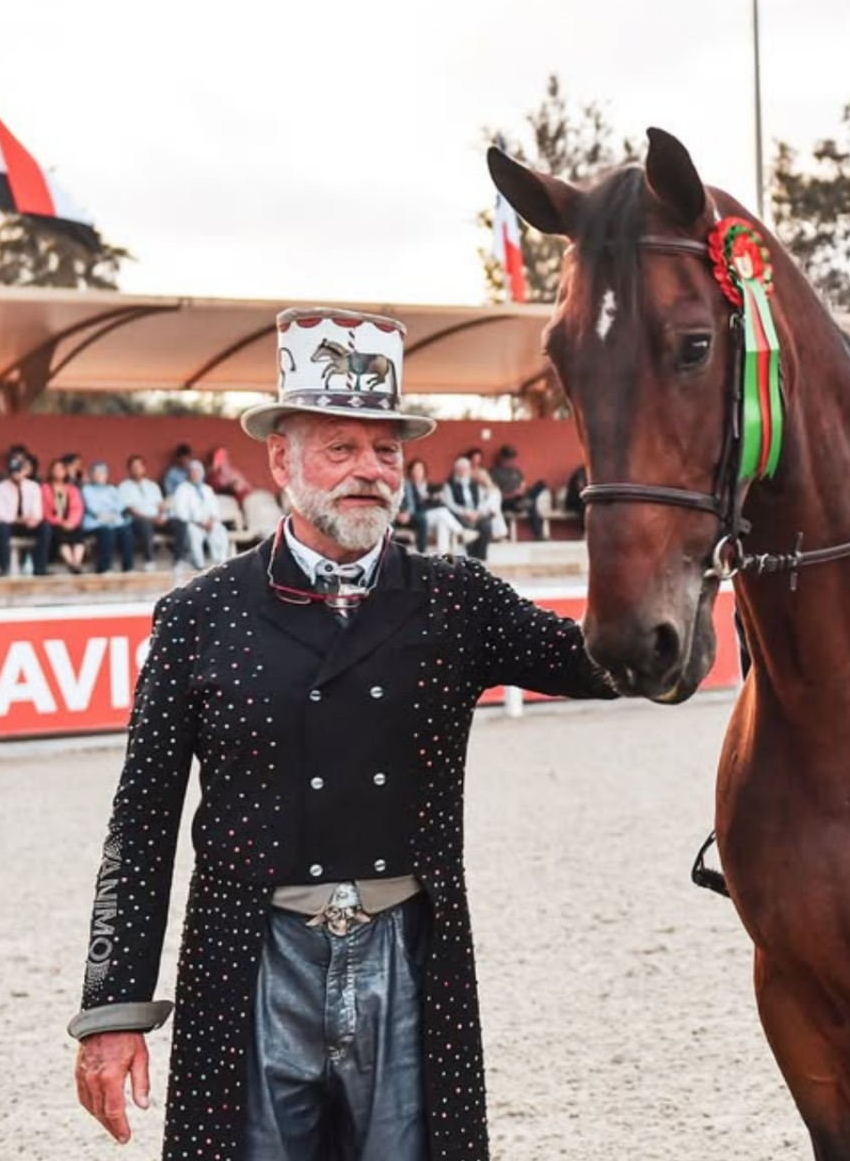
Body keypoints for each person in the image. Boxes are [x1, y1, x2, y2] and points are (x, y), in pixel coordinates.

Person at [69, 307, 617, 1161]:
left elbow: (604, 661)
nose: (369, 470)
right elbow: (140, 824)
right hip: (249, 963)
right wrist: (112, 1011)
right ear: (279, 459)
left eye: (387, 450)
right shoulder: (197, 618)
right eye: (340, 448)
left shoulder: (456, 598)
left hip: (409, 958)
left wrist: (684, 552)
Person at [0, 454, 50, 577]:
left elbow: (37, 511)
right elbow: (0, 513)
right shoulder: (1, 487)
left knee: (45, 528)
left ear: (25, 471)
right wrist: (18, 519)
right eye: (13, 472)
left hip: (27, 524)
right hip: (9, 524)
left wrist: (33, 519)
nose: (16, 475)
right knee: (2, 528)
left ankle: (40, 568)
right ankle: (4, 568)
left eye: (18, 471)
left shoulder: (33, 487)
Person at [169, 459, 231, 570]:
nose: (195, 475)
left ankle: (220, 561)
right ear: (189, 474)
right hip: (193, 523)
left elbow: (215, 507)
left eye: (198, 472)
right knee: (194, 534)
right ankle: (199, 564)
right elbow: (181, 511)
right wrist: (199, 523)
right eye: (192, 472)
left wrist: (211, 521)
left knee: (219, 530)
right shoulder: (182, 489)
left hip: (209, 522)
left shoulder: (207, 489)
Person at [80, 460, 136, 573]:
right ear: (92, 475)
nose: (101, 475)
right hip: (95, 522)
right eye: (98, 473)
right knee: (107, 532)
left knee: (126, 531)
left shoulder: (112, 489)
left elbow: (120, 505)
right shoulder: (86, 489)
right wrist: (109, 514)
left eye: (103, 473)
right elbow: (92, 508)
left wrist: (112, 514)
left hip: (114, 520)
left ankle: (128, 567)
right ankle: (104, 568)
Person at [118, 454, 167, 571]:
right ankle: (149, 560)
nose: (137, 469)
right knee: (145, 524)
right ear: (129, 469)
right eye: (134, 467)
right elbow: (130, 510)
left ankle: (180, 560)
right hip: (137, 520)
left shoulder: (152, 485)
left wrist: (161, 516)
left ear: (144, 468)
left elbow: (160, 505)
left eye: (139, 466)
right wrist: (151, 519)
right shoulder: (124, 487)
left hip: (156, 518)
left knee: (179, 523)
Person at [488, 443, 545, 538]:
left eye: (511, 458)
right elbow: (494, 494)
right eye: (507, 458)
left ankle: (539, 534)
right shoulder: (494, 472)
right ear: (501, 458)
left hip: (520, 498)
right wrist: (512, 494)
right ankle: (524, 503)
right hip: (506, 501)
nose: (510, 460)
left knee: (539, 486)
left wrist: (522, 490)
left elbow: (523, 485)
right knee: (530, 503)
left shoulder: (516, 471)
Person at [442, 454, 493, 561]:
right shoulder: (449, 485)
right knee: (468, 527)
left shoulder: (475, 484)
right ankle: (471, 557)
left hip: (475, 514)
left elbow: (481, 501)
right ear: (456, 470)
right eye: (460, 469)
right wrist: (465, 512)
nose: (463, 471)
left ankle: (481, 557)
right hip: (460, 515)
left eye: (465, 469)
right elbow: (450, 504)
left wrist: (476, 513)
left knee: (486, 525)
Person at [44, 457, 88, 573]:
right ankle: (70, 563)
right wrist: (60, 522)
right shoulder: (45, 488)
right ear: (51, 471)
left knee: (78, 533)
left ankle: (77, 562)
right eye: (56, 469)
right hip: (54, 522)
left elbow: (78, 508)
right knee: (60, 535)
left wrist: (71, 522)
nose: (58, 471)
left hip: (71, 522)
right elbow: (45, 510)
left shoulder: (72, 489)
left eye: (61, 469)